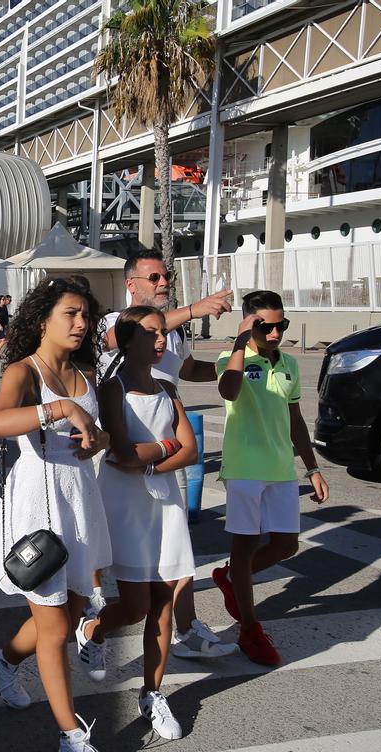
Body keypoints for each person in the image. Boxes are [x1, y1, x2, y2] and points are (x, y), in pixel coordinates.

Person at [0, 277, 113, 752]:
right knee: (55, 628)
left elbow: (94, 437)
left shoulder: (84, 371)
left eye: (86, 316)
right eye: (70, 315)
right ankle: (71, 737)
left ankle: (2, 660)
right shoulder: (23, 370)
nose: (81, 324)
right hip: (40, 503)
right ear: (42, 319)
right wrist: (59, 408)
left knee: (71, 610)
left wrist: (95, 438)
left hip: (79, 501)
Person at [97, 248, 237, 660]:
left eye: (166, 278)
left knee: (177, 549)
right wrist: (193, 310)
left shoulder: (171, 331)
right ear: (131, 283)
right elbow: (114, 340)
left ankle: (186, 628)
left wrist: (235, 359)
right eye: (154, 277)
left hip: (163, 450)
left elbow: (188, 369)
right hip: (120, 452)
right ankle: (93, 618)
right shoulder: (114, 322)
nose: (163, 284)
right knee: (107, 547)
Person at [74, 306, 198, 742]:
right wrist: (166, 447)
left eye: (163, 332)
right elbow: (122, 454)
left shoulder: (167, 386)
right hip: (126, 503)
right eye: (151, 333)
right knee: (136, 605)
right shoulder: (113, 388)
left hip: (165, 500)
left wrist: (153, 459)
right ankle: (94, 627)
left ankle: (153, 693)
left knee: (164, 600)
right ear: (127, 341)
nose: (161, 340)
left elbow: (192, 451)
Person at [213, 290, 328, 667]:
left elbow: (295, 420)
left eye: (282, 325)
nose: (276, 332)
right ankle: (250, 628)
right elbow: (228, 390)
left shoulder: (291, 365)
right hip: (244, 468)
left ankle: (232, 579)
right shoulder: (231, 359)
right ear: (250, 323)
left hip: (280, 469)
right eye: (266, 326)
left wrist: (312, 468)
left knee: (285, 545)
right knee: (244, 547)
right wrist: (240, 342)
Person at [0, 294, 11, 358]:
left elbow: (4, 316)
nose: (4, 300)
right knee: (5, 339)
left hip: (3, 326)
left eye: (4, 299)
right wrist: (0, 325)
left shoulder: (4, 307)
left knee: (0, 340)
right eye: (3, 299)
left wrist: (9, 316)